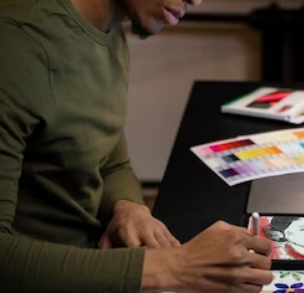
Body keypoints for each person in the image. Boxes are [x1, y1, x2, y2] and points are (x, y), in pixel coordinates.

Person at [0, 0, 272, 292]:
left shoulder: (109, 29)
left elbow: (109, 161)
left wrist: (128, 207)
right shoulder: (15, 46)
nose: (196, 0)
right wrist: (173, 267)